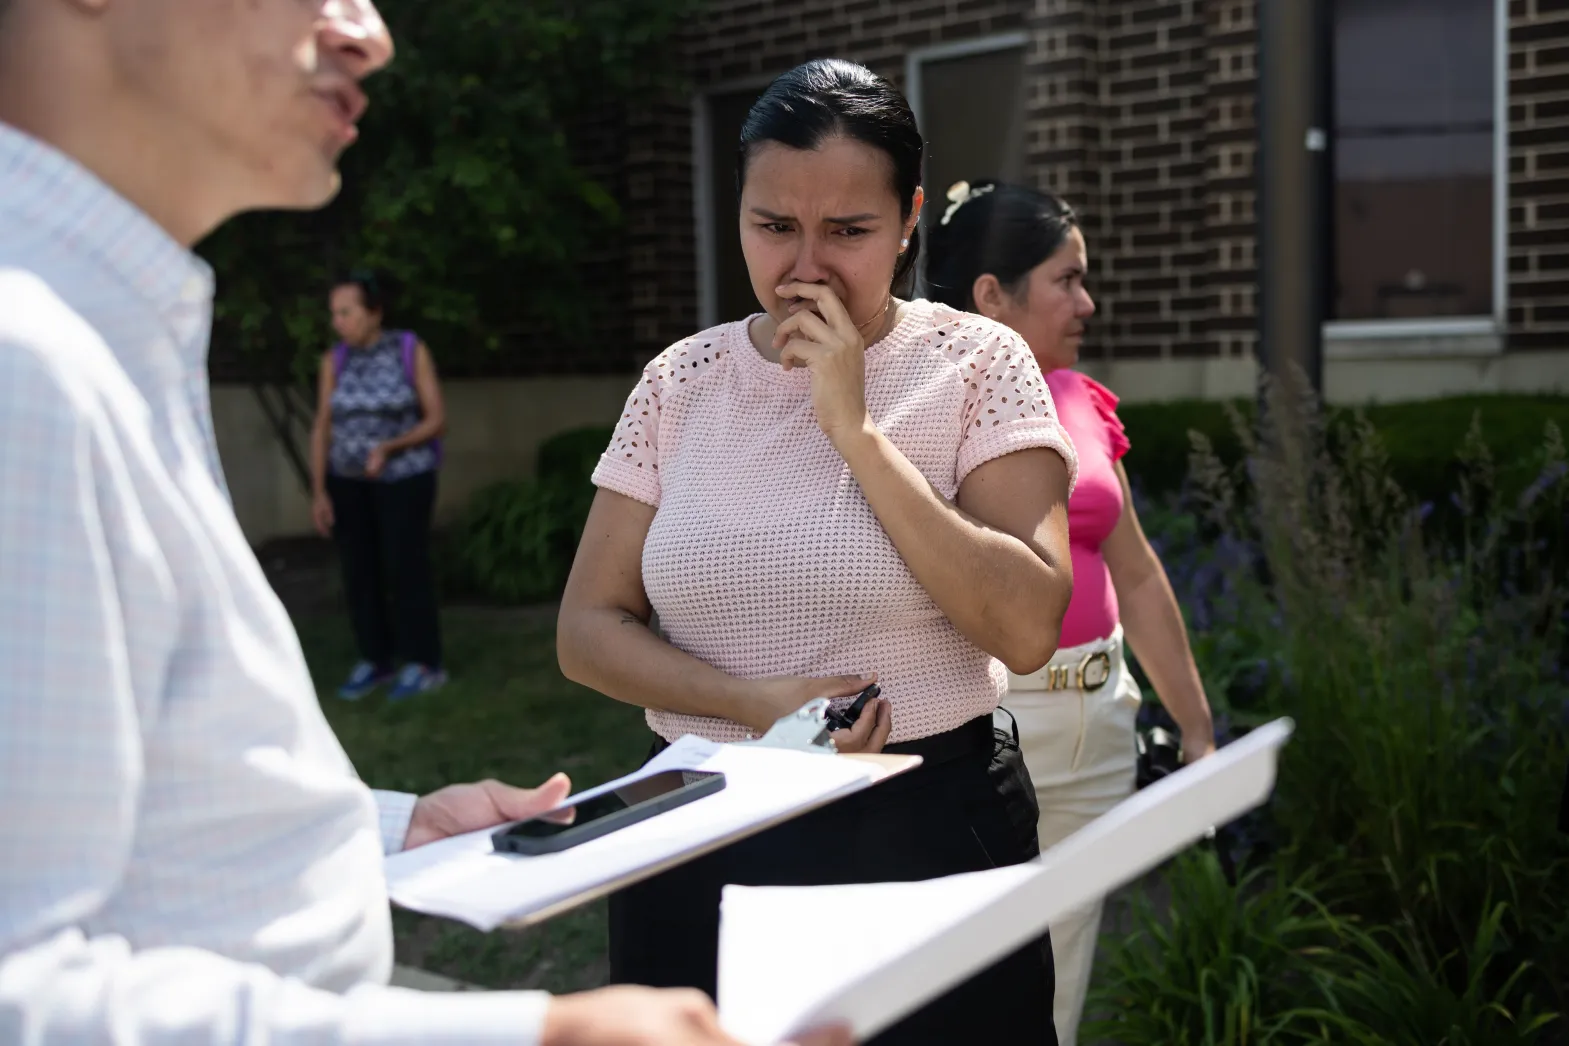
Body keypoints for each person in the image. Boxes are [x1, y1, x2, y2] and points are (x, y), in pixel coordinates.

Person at [0, 1, 850, 1043]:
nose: (368, 33)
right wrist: (539, 1034)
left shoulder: (89, 334)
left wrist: (382, 829)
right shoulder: (23, 360)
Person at [558, 59, 1079, 1044]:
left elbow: (1025, 625)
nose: (805, 267)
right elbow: (586, 629)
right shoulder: (680, 381)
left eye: (847, 231)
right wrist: (752, 703)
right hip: (697, 823)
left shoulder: (977, 362)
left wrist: (855, 427)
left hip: (921, 828)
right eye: (773, 226)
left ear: (909, 218)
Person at [924, 178, 1219, 1045]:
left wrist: (1196, 729)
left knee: (1062, 973)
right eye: (1067, 279)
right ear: (992, 295)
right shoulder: (920, 411)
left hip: (1099, 724)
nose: (1087, 303)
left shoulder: (1080, 400)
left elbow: (1137, 572)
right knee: (968, 984)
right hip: (983, 728)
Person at [311, 268, 448, 701]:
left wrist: (390, 447)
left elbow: (436, 420)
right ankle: (376, 660)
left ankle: (423, 662)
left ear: (374, 312)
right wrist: (319, 490)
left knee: (405, 568)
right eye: (335, 313)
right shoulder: (334, 361)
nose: (338, 322)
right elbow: (322, 426)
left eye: (347, 312)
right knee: (359, 572)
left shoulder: (409, 349)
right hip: (348, 483)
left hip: (405, 480)